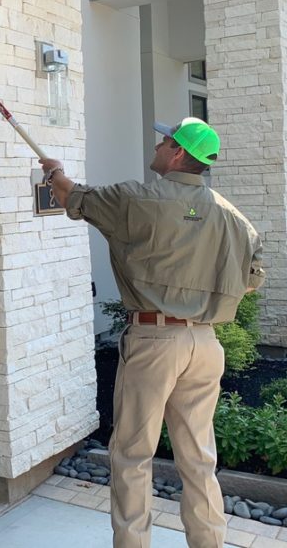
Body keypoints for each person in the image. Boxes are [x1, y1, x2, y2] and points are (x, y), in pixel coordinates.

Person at [39, 117, 264, 548]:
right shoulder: (234, 218)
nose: (158, 147)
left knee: (131, 456)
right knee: (199, 458)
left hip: (154, 341)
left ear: (178, 153)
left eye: (164, 141)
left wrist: (53, 171)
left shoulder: (136, 199)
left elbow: (71, 195)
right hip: (205, 344)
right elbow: (253, 278)